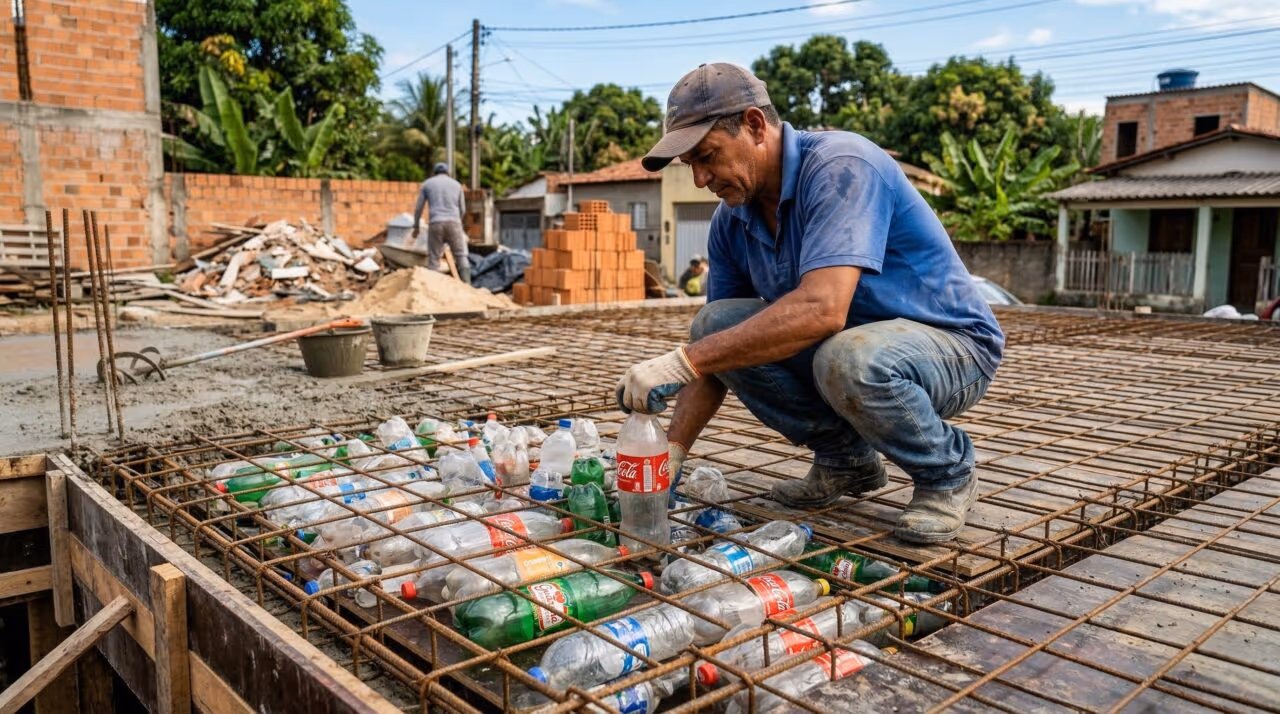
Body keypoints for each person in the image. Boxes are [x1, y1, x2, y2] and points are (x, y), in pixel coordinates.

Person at [615, 63, 1004, 544]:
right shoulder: (732, 219)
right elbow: (714, 352)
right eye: (689, 164)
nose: (700, 179)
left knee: (847, 357)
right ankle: (847, 462)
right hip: (845, 351)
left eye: (708, 156)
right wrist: (671, 452)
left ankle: (948, 474)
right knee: (716, 324)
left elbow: (823, 310)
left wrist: (682, 362)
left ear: (756, 126)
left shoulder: (842, 166)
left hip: (952, 347)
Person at [411, 162, 470, 284]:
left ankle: (434, 289)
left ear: (434, 172)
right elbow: (463, 209)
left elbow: (418, 208)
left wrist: (416, 227)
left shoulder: (427, 184)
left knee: (434, 259)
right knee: (461, 255)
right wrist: (456, 222)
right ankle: (468, 287)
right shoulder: (457, 185)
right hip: (454, 223)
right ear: (448, 172)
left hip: (436, 223)